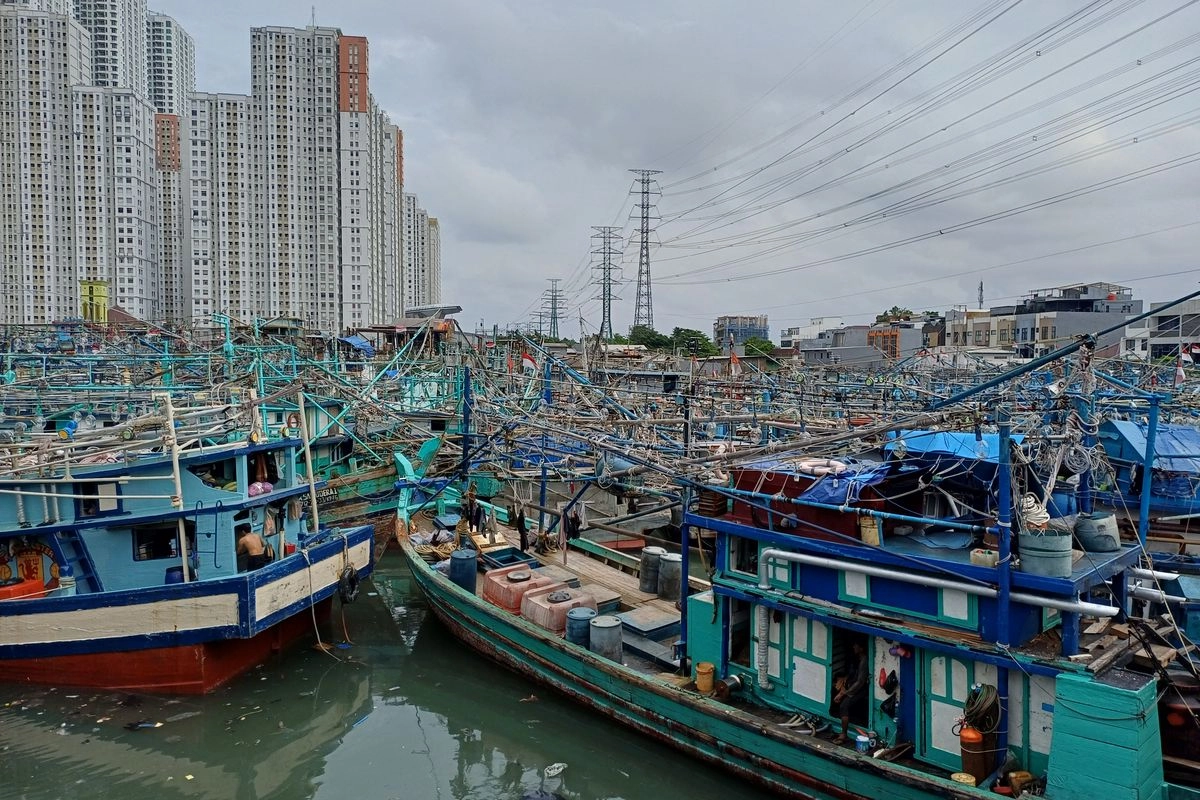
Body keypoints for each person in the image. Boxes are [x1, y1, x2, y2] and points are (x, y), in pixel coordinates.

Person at [833, 641, 868, 745]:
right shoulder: (858, 659)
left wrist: (844, 693)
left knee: (844, 706)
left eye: (856, 645)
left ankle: (844, 734)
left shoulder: (864, 661)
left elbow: (860, 682)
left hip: (860, 690)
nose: (853, 646)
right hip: (852, 687)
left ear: (861, 648)